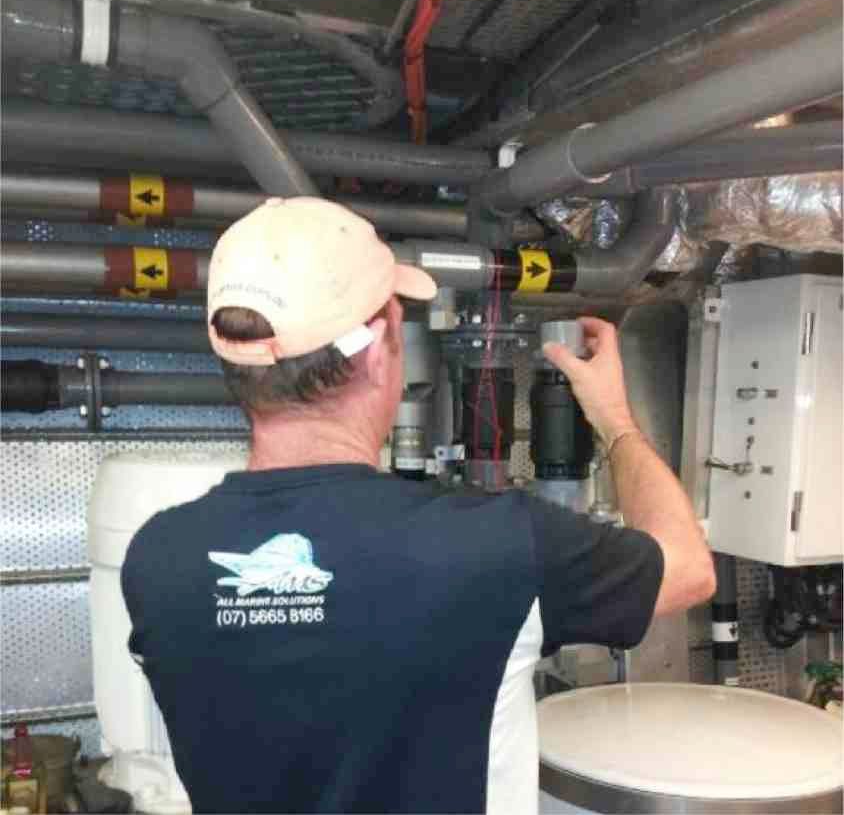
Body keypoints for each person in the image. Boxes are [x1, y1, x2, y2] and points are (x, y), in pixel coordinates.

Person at [122, 196, 715, 815]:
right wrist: (614, 418)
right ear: (379, 348)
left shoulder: (158, 561)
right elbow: (689, 569)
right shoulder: (498, 547)